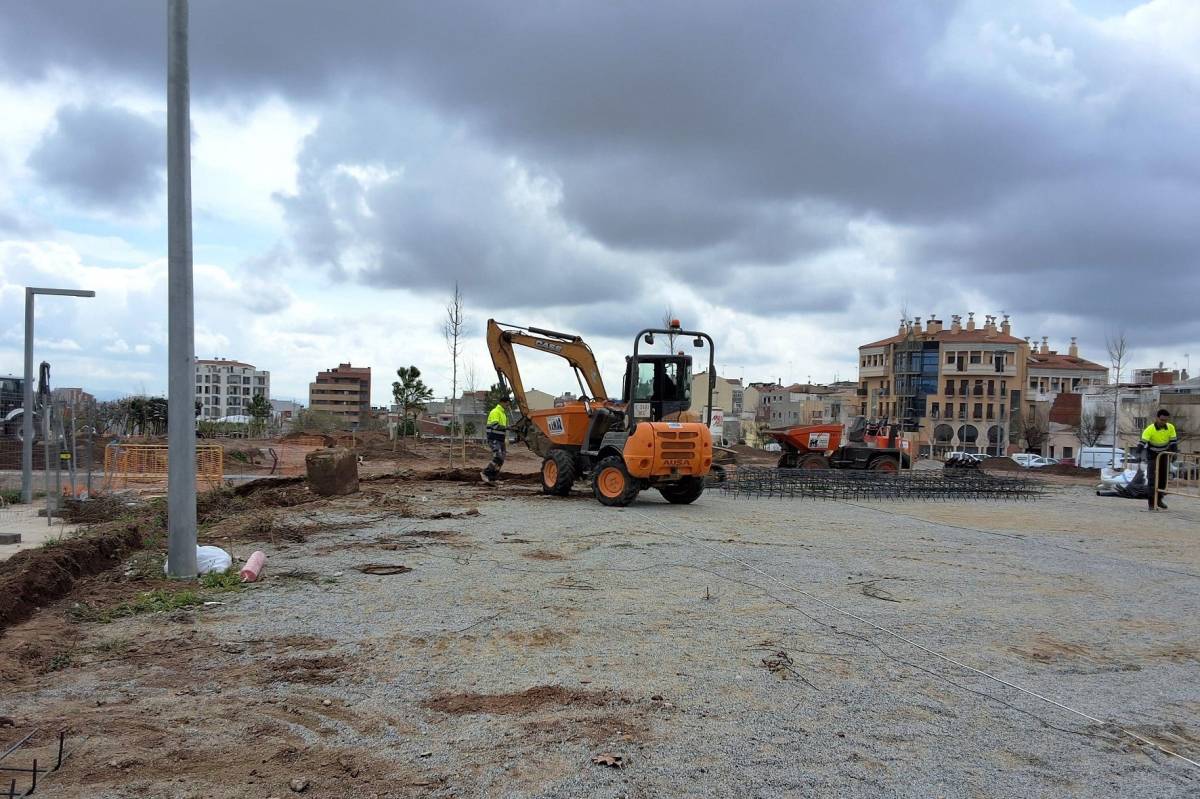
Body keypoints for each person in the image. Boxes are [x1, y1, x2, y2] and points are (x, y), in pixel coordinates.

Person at [1141, 408, 1178, 511]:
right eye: (1162, 420)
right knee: (1152, 479)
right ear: (1157, 418)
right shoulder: (1150, 429)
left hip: (1164, 455)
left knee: (1163, 479)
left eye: (1165, 420)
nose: (1163, 422)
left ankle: (1159, 500)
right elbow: (1142, 442)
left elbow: (1173, 442)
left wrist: (1174, 453)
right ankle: (1151, 503)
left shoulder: (1170, 427)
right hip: (1152, 455)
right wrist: (1139, 453)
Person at [480, 397, 512, 484]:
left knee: (501, 459)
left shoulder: (503, 414)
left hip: (500, 439)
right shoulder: (495, 412)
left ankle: (492, 478)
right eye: (507, 404)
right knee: (498, 457)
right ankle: (485, 473)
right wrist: (508, 428)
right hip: (494, 438)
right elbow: (495, 426)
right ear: (502, 402)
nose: (508, 406)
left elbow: (503, 428)